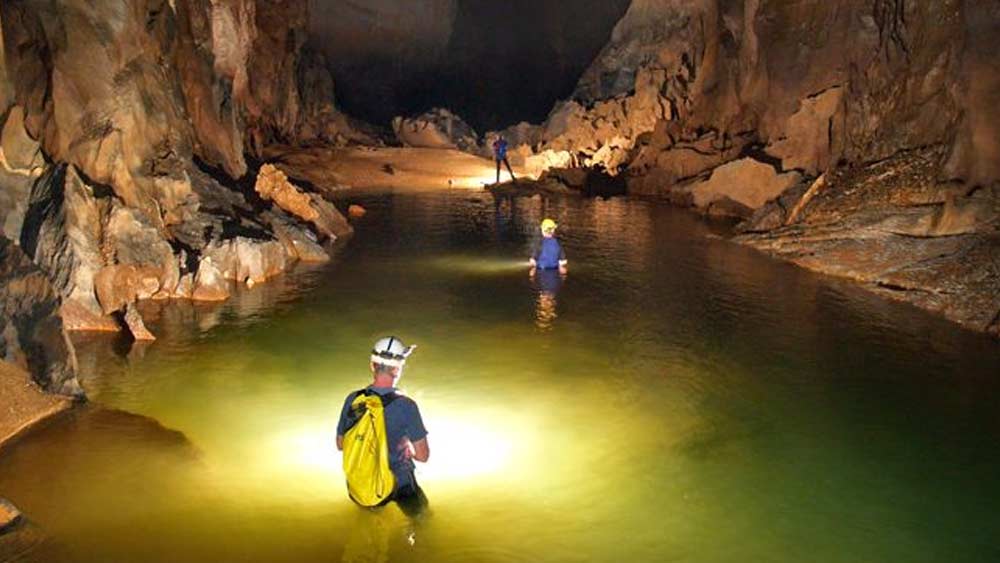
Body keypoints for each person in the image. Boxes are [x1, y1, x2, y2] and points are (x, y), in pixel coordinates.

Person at [337, 336, 430, 516]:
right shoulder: (406, 405)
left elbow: (341, 444)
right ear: (398, 370)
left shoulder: (354, 400)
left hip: (366, 482)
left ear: (372, 365)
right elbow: (423, 456)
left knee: (372, 526)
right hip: (400, 482)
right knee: (422, 521)